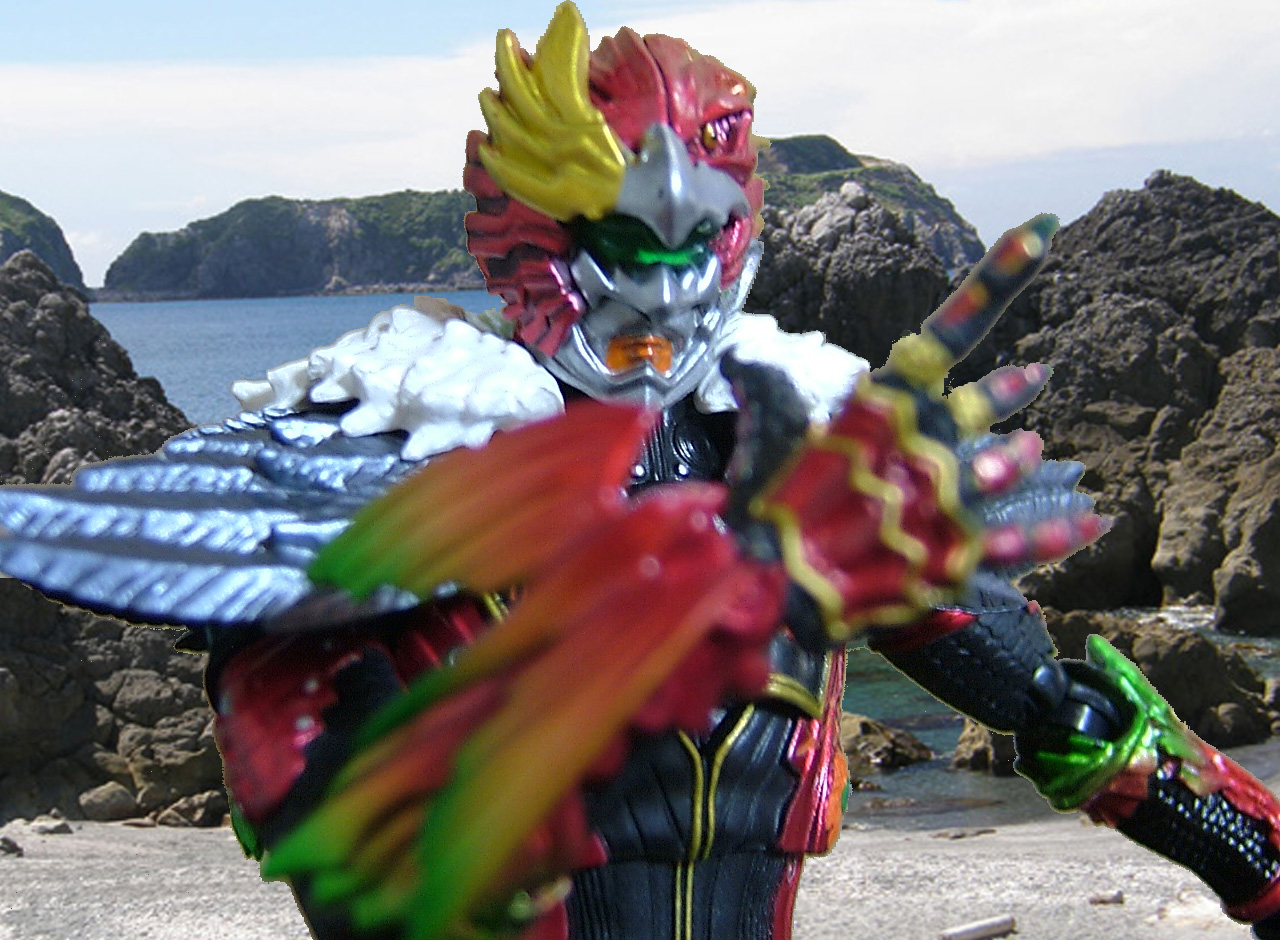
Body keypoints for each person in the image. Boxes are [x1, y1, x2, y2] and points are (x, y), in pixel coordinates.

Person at [3, 4, 1279, 939]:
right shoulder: (420, 436)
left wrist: (1243, 850)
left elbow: (1053, 707)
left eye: (690, 245)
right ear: (527, 232)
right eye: (617, 244)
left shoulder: (804, 445)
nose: (656, 295)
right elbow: (299, 751)